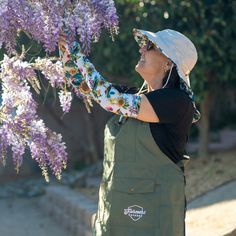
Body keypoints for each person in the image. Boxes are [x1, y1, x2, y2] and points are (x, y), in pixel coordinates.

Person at [58, 27, 201, 236]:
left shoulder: (177, 102)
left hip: (152, 218)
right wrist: (66, 51)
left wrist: (77, 52)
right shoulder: (134, 96)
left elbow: (108, 99)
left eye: (150, 46)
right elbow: (84, 86)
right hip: (115, 214)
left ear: (169, 62)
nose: (142, 49)